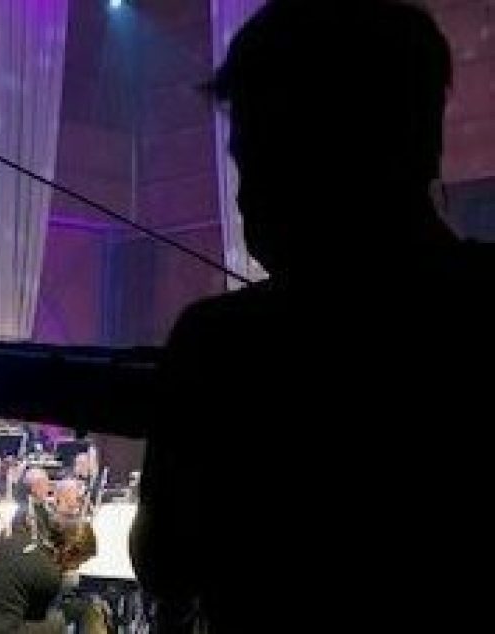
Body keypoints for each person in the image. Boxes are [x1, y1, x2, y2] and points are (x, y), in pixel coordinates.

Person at [130, 1, 495, 632]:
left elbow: (166, 563)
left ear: (319, 155)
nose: (243, 196)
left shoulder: (220, 344)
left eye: (255, 160)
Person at [0, 516, 98, 634]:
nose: (77, 568)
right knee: (61, 619)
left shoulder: (15, 540)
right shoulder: (50, 574)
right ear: (69, 553)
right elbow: (34, 618)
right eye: (80, 562)